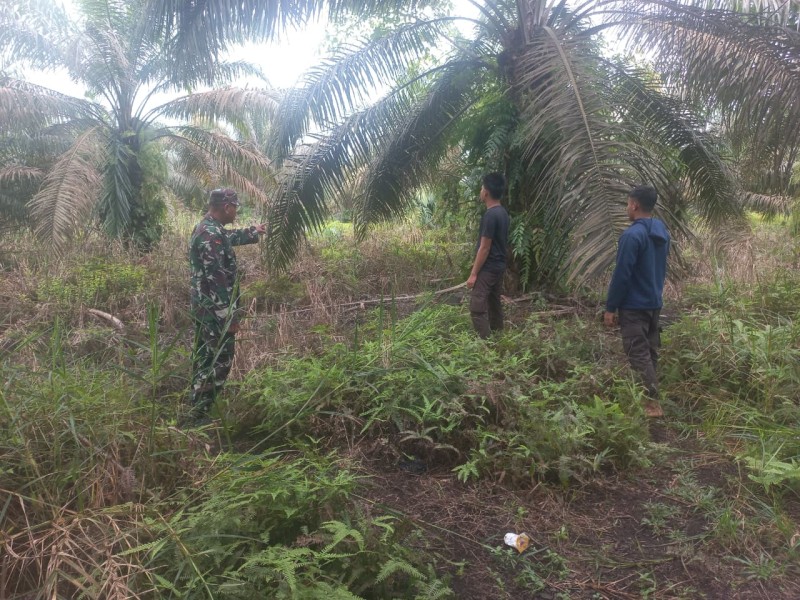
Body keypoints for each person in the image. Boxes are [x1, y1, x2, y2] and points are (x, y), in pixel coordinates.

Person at [188, 188, 266, 422]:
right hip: (214, 314)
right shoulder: (210, 235)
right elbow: (216, 279)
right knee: (219, 362)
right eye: (235, 208)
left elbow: (227, 238)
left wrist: (253, 232)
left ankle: (195, 406)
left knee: (204, 358)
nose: (236, 213)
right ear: (227, 207)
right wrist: (228, 318)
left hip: (205, 310)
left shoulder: (208, 228)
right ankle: (198, 416)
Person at [604, 185, 670, 417]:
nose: (626, 207)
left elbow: (622, 275)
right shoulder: (661, 231)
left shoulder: (632, 235)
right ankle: (647, 398)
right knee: (650, 351)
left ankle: (651, 405)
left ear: (635, 205)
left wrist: (611, 307)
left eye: (627, 203)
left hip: (634, 305)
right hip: (653, 302)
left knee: (638, 353)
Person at [466, 172, 510, 339]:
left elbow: (484, 248)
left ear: (486, 192)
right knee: (494, 302)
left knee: (477, 306)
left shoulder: (490, 215)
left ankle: (485, 346)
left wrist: (473, 274)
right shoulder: (503, 213)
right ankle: (498, 337)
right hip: (499, 266)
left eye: (482, 187)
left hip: (489, 267)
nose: (481, 190)